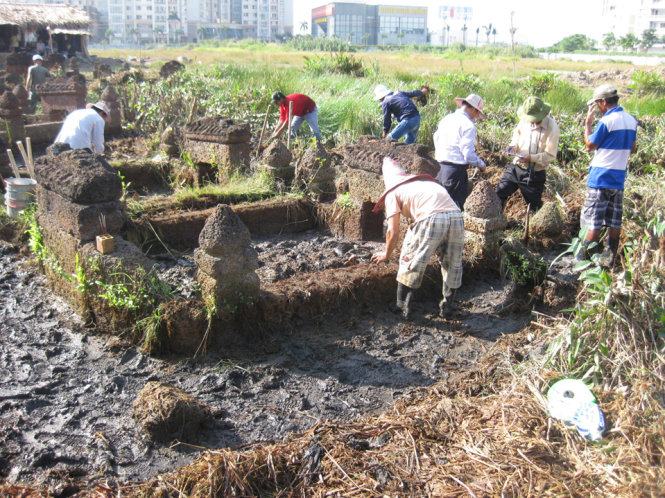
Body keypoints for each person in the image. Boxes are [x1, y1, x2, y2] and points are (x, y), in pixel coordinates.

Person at [371, 157, 464, 319]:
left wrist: (386, 254)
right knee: (452, 262)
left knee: (411, 258)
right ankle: (448, 307)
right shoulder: (426, 184)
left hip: (431, 218)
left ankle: (402, 307)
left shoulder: (393, 193)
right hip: (456, 216)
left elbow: (393, 231)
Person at [577, 84, 638, 267]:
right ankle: (610, 256)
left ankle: (582, 259)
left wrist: (588, 125)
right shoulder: (631, 120)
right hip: (618, 178)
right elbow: (633, 148)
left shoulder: (607, 121)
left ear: (603, 102)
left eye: (597, 104)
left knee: (593, 220)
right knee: (614, 220)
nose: (596, 108)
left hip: (600, 177)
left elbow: (589, 145)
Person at [496, 96, 560, 211]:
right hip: (515, 167)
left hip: (534, 174)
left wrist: (531, 158)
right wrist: (512, 147)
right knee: (499, 193)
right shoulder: (524, 120)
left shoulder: (552, 127)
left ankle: (533, 226)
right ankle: (496, 221)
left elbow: (550, 155)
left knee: (534, 208)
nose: (532, 121)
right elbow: (516, 137)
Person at [433, 93, 486, 210]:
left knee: (437, 205)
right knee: (454, 208)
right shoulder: (468, 126)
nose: (477, 116)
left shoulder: (447, 118)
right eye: (477, 112)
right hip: (455, 171)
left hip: (438, 168)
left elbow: (436, 138)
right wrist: (481, 164)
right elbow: (468, 154)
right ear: (471, 108)